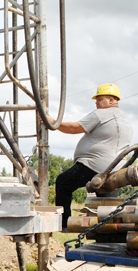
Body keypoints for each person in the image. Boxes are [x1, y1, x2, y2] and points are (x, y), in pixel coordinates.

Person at [49, 83, 133, 230]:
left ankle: (63, 224)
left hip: (94, 165)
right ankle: (108, 235)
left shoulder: (102, 114)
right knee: (106, 207)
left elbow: (74, 128)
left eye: (100, 99)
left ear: (112, 100)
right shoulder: (125, 120)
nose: (96, 103)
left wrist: (53, 122)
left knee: (63, 182)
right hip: (116, 170)